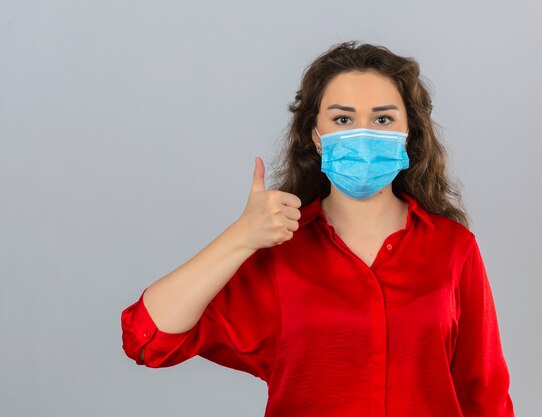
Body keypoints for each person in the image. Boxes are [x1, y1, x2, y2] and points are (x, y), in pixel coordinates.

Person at [121, 40, 515, 417]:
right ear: (316, 135)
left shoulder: (453, 247)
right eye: (343, 119)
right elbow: (147, 339)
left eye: (382, 119)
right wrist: (240, 236)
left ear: (407, 133)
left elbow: (484, 393)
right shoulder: (279, 250)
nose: (362, 134)